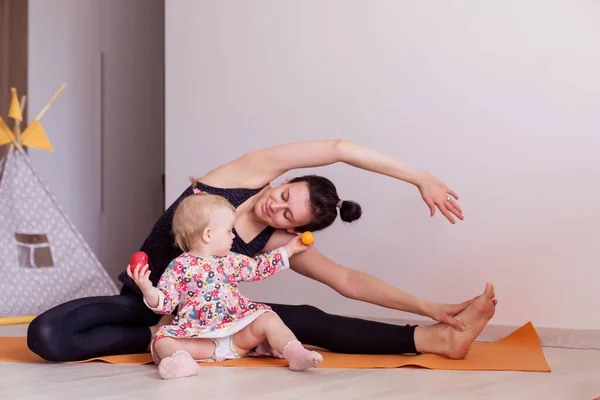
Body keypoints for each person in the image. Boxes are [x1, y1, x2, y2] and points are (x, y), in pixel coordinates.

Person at [27, 139, 497, 362]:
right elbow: (337, 148)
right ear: (285, 179)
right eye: (286, 195)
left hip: (206, 322)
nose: (278, 207)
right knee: (48, 334)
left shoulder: (269, 242)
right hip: (145, 301)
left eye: (291, 217)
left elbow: (348, 281)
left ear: (299, 229)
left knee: (307, 318)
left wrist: (430, 307)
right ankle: (185, 342)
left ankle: (436, 337)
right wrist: (419, 177)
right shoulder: (240, 177)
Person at [130, 191, 323, 379]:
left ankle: (295, 352)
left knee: (268, 318)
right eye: (229, 231)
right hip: (200, 340)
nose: (233, 237)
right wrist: (147, 288)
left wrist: (289, 249)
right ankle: (182, 362)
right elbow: (166, 303)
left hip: (238, 335)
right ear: (208, 235)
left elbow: (258, 267)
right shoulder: (179, 266)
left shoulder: (230, 260)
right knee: (161, 340)